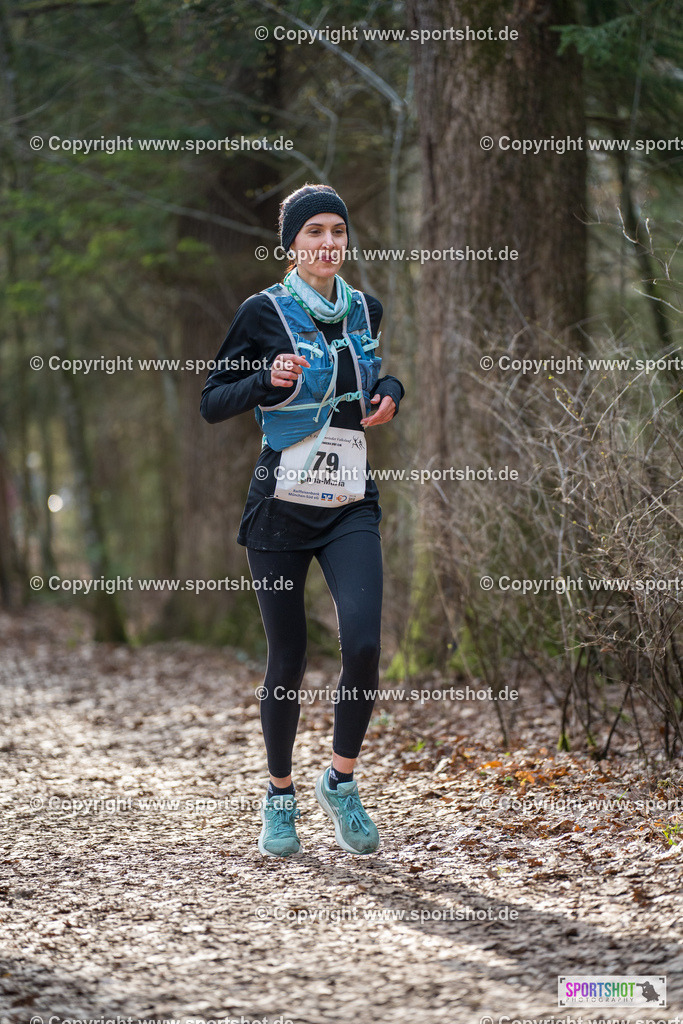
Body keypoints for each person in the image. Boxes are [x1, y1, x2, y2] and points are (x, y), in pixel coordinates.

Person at [200, 183, 405, 857]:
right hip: (280, 504)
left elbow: (374, 375)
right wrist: (265, 379)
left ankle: (340, 782)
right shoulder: (262, 312)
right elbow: (212, 399)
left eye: (336, 232)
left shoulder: (364, 309)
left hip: (348, 500)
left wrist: (389, 393)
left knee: (364, 644)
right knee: (287, 656)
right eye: (313, 231)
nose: (326, 243)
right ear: (291, 243)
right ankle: (279, 795)